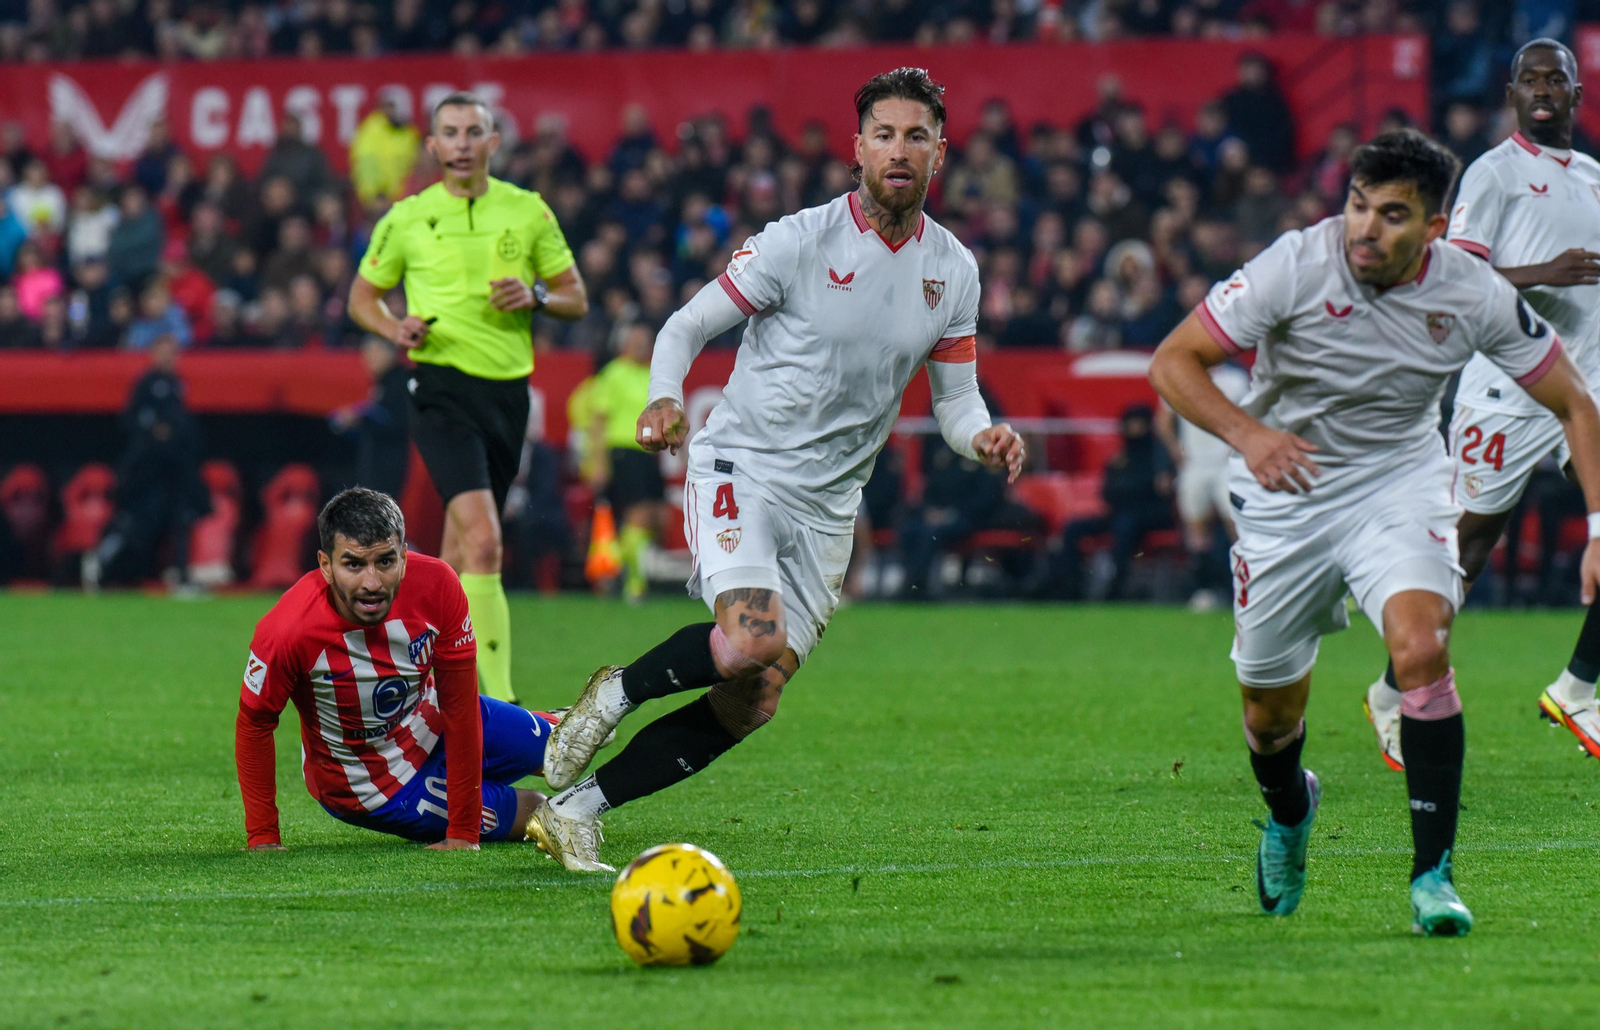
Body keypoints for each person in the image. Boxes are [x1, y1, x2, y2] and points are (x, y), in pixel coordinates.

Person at [528, 68, 1025, 872]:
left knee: (753, 696)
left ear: (941, 151)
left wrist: (985, 438)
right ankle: (614, 692)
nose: (900, 150)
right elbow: (687, 325)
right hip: (744, 465)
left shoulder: (954, 271)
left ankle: (576, 810)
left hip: (830, 508)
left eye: (917, 136)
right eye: (885, 135)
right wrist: (663, 399)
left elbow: (957, 402)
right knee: (750, 640)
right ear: (857, 147)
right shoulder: (799, 240)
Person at [1149, 130, 1600, 936]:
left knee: (1423, 646)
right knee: (1268, 717)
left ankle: (1434, 877)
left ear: (1435, 227)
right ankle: (1291, 814)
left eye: (1393, 215)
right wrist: (1250, 437)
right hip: (1286, 492)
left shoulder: (1474, 292)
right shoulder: (1295, 262)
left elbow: (1575, 402)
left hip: (1400, 482)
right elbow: (1175, 361)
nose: (1366, 228)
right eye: (1359, 206)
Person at [1365, 40, 1600, 768]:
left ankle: (1579, 687)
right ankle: (1388, 690)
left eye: (1554, 79)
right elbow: (1456, 274)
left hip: (1580, 390)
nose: (1541, 89)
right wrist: (1544, 272)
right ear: (1510, 94)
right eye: (1528, 78)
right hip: (1504, 389)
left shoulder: (1593, 176)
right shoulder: (1495, 174)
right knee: (1462, 556)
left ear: (1575, 94)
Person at [348, 92, 589, 706]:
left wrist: (534, 294)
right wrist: (392, 327)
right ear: (432, 146)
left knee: (458, 554)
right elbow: (362, 299)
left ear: (492, 142)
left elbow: (574, 297)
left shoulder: (527, 211)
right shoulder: (408, 217)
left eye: (472, 131)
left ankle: (412, 680)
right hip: (437, 387)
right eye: (449, 132)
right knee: (484, 540)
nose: (460, 142)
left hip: (506, 394)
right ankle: (504, 707)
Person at [234, 488, 556, 850]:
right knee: (540, 811)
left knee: (563, 750)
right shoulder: (287, 630)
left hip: (430, 719)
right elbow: (255, 723)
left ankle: (553, 724)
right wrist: (263, 836)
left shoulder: (438, 586)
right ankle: (543, 728)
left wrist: (463, 832)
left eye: (385, 562)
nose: (372, 583)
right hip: (372, 784)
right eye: (353, 564)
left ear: (404, 557)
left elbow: (460, 707)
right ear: (326, 565)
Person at [85, 334, 208, 588]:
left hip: (172, 471)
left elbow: (184, 427)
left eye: (172, 352)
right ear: (152, 354)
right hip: (146, 472)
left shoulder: (178, 385)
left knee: (181, 520)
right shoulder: (145, 384)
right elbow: (131, 422)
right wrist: (154, 433)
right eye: (163, 352)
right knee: (133, 523)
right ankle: (100, 560)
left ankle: (181, 576)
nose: (168, 357)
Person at [1157, 362, 1251, 610]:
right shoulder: (1180, 375)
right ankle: (1204, 589)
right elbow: (1164, 418)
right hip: (1195, 465)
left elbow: (1251, 413)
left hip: (1227, 466)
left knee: (1238, 529)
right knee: (1196, 529)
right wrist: (1175, 449)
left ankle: (1246, 591)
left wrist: (1238, 446)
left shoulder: (1234, 380)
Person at [587, 322, 667, 603]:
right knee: (639, 515)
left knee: (659, 517)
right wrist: (597, 461)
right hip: (623, 448)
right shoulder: (613, 373)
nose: (641, 345)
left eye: (646, 341)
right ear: (624, 344)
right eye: (636, 340)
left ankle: (610, 562)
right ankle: (634, 584)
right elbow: (598, 419)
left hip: (648, 453)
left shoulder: (651, 374)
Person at [331, 336, 411, 500]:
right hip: (376, 459)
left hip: (389, 462)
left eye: (373, 354)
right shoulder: (381, 382)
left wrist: (362, 418)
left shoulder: (399, 381)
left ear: (389, 353)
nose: (367, 361)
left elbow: (399, 423)